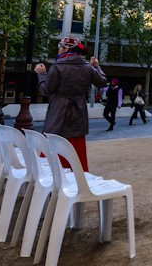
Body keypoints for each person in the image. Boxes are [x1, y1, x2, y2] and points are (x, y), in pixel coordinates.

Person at [35, 37, 107, 171]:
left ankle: (53, 176)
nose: (58, 51)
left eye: (59, 48)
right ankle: (78, 174)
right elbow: (102, 82)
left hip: (59, 111)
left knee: (54, 142)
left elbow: (46, 90)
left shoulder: (57, 66)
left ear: (66, 48)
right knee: (77, 144)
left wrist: (42, 74)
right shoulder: (87, 67)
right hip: (79, 110)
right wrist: (96, 66)